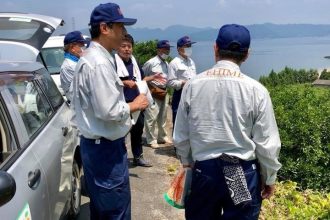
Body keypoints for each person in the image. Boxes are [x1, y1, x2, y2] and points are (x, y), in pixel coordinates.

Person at [173, 24, 282, 220]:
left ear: (215, 48)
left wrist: (187, 163)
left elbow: (181, 134)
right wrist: (269, 176)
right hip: (241, 171)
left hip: (204, 170)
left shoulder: (193, 85)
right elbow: (267, 143)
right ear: (246, 54)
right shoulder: (256, 90)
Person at [71, 3, 148, 219]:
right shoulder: (99, 63)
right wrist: (136, 104)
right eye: (120, 27)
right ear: (105, 28)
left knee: (102, 209)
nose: (124, 33)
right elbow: (109, 111)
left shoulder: (92, 58)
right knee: (116, 212)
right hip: (104, 150)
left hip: (96, 147)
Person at [115, 33, 154, 167]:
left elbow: (141, 79)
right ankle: (121, 158)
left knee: (138, 131)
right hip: (122, 103)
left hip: (137, 102)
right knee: (121, 133)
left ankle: (138, 156)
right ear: (117, 48)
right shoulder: (113, 63)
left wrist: (150, 80)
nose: (127, 49)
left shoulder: (134, 62)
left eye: (129, 46)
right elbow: (110, 81)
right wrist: (124, 82)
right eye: (123, 46)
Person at [142, 40, 173, 148]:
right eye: (165, 49)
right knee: (151, 116)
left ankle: (162, 137)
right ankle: (151, 139)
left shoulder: (166, 63)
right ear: (159, 50)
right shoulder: (151, 63)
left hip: (164, 91)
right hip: (153, 91)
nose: (167, 51)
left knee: (163, 116)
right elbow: (142, 78)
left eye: (168, 49)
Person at [168, 36, 197, 126]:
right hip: (180, 94)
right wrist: (183, 83)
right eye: (186, 46)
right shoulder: (174, 63)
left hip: (192, 94)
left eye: (190, 46)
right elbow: (170, 82)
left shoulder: (191, 61)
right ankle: (176, 140)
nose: (189, 48)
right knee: (178, 121)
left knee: (191, 120)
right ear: (179, 49)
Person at [60, 31, 87, 100]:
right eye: (81, 45)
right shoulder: (69, 66)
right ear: (72, 48)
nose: (84, 48)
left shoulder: (77, 62)